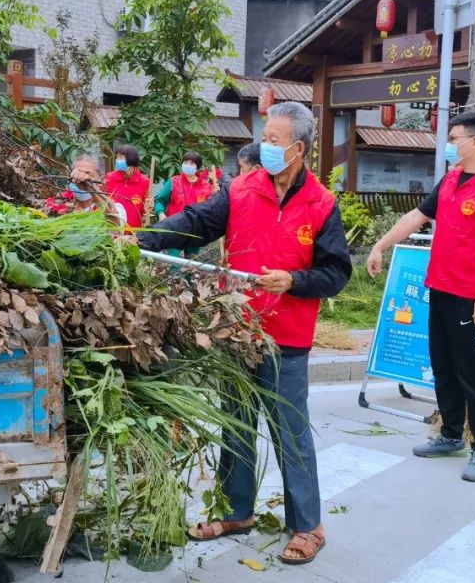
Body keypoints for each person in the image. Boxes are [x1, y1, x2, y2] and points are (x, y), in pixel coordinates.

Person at [137, 102, 351, 565]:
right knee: (235, 425)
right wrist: (143, 236)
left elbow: (336, 273)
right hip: (237, 330)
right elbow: (194, 225)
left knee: (290, 432)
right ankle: (236, 510)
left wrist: (295, 281)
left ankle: (308, 525)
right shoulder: (241, 189)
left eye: (273, 140)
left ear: (299, 148)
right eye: (264, 137)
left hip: (286, 338)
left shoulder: (322, 204)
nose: (264, 146)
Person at [366, 111, 475, 482]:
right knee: (445, 367)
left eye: (454, 138)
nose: (449, 145)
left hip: (473, 298)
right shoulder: (451, 180)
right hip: (441, 289)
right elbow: (418, 216)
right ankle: (451, 434)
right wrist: (381, 244)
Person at [153, 151, 220, 257]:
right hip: (174, 229)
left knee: (191, 265)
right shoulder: (173, 181)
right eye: (185, 162)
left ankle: (189, 273)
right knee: (173, 264)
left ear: (197, 168)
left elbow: (211, 209)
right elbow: (160, 201)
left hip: (195, 231)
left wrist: (216, 196)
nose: (187, 165)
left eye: (191, 164)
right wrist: (160, 213)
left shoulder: (206, 187)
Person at [67, 152, 127, 227]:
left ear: (101, 180)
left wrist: (91, 189)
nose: (81, 178)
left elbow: (114, 225)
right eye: (77, 174)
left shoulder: (115, 207)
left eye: (88, 174)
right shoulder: (59, 205)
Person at [104, 144, 151, 228]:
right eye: (117, 158)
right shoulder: (109, 178)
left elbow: (145, 208)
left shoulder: (144, 182)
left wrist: (148, 207)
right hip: (113, 230)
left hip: (134, 232)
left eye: (121, 158)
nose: (118, 160)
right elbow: (103, 202)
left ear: (131, 159)